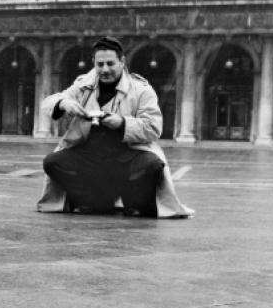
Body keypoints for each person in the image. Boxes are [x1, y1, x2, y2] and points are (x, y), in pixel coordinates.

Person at [37, 36, 194, 219]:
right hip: (90, 157)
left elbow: (153, 128)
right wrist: (64, 103)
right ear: (93, 63)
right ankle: (93, 200)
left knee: (153, 165)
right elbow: (48, 102)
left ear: (122, 62)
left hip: (127, 156)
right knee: (52, 162)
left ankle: (135, 202)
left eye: (110, 64)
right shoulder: (83, 85)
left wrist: (122, 123)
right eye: (100, 64)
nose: (105, 70)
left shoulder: (142, 90)